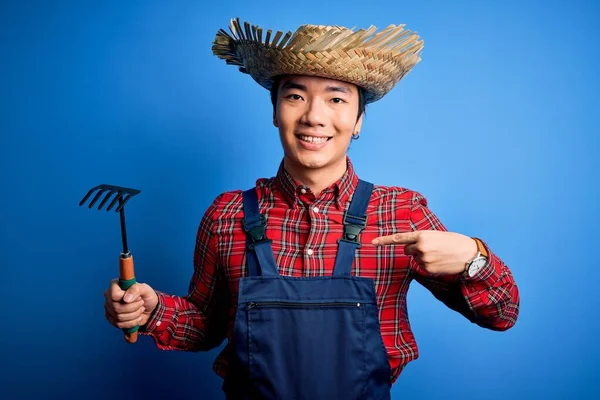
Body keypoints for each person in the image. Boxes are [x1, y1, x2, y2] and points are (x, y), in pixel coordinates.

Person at [104, 18, 519, 399]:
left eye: (336, 99)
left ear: (358, 120)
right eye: (296, 95)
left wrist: (472, 258)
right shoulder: (227, 215)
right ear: (275, 112)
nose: (314, 116)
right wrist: (151, 309)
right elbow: (205, 325)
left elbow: (503, 314)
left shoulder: (400, 212)